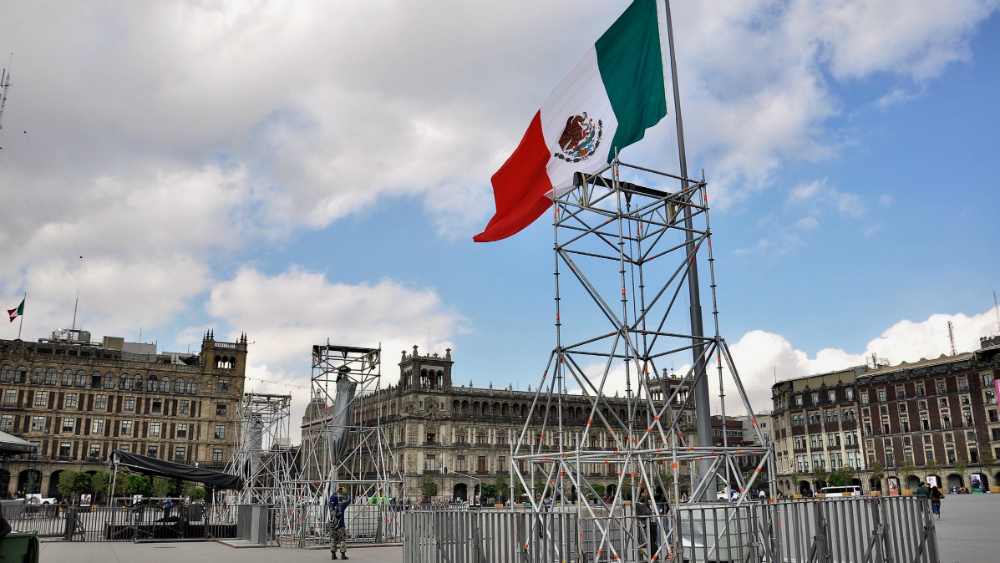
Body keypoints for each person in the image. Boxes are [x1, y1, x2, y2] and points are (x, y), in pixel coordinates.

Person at [329, 487, 352, 560]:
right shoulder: (341, 506)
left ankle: (333, 554)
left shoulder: (331, 506)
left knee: (333, 539)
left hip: (333, 526)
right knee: (342, 540)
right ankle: (343, 554)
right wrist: (345, 492)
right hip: (341, 525)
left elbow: (331, 499)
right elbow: (348, 500)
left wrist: (335, 492)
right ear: (338, 500)